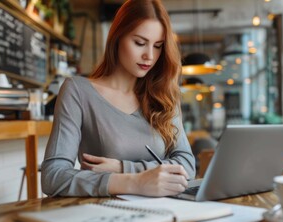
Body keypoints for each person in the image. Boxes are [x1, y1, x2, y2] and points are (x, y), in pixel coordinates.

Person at [41, 0, 195, 197]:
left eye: (158, 46)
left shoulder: (163, 94)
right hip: (107, 215)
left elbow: (188, 166)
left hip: (167, 211)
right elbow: (53, 176)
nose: (149, 55)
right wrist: (133, 182)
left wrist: (123, 167)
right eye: (139, 43)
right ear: (117, 37)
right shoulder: (78, 91)